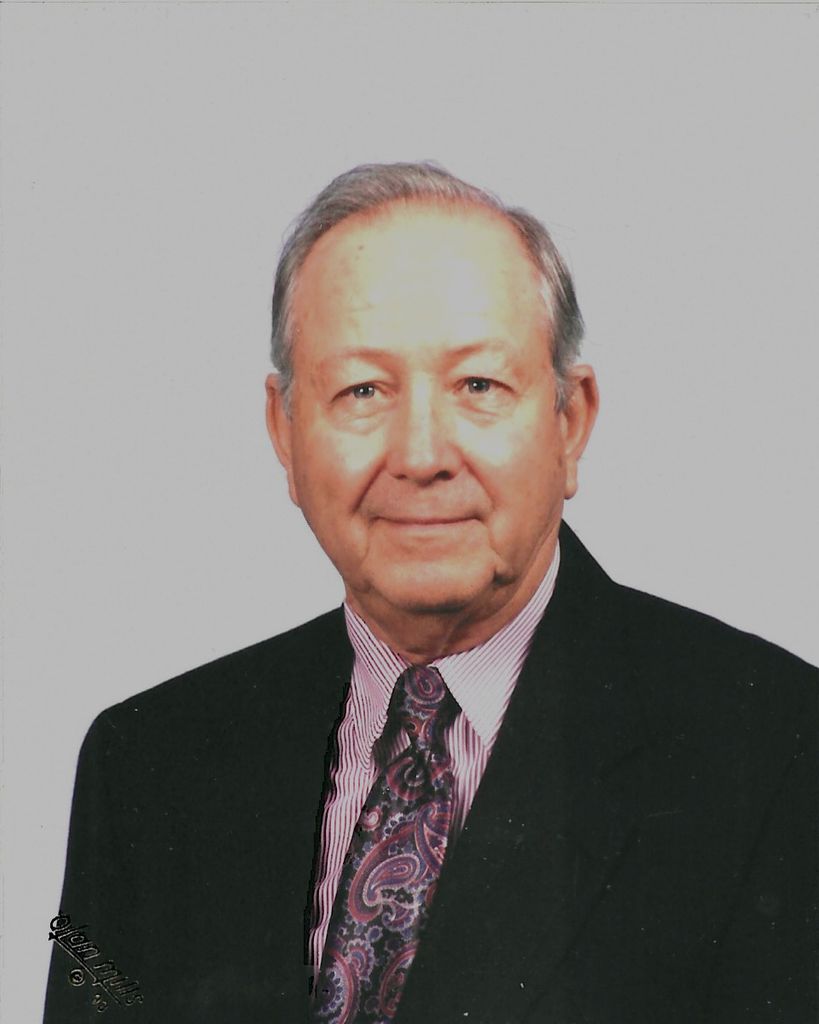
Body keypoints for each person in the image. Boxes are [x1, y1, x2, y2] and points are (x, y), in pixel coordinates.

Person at [44, 163, 817, 1024]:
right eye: (362, 391)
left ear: (570, 422)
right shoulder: (145, 764)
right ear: (284, 431)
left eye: (477, 386)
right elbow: (100, 995)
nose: (420, 455)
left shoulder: (776, 750)